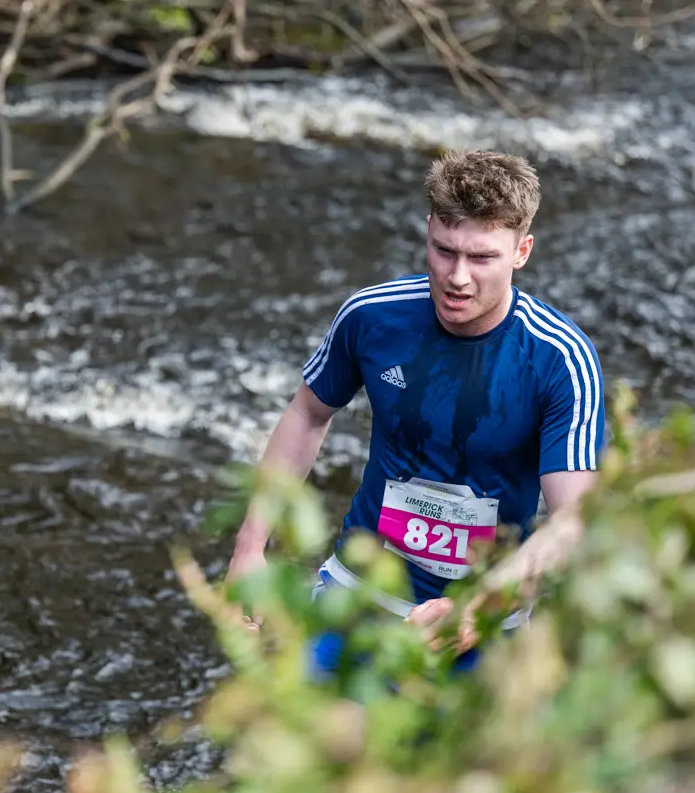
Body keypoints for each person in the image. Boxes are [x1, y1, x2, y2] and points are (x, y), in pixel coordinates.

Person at [227, 149, 605, 676]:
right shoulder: (372, 317)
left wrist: (480, 605)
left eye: (482, 258)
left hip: (487, 618)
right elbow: (307, 415)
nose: (458, 277)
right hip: (357, 593)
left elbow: (573, 521)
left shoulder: (559, 358)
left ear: (522, 251)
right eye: (444, 250)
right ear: (427, 230)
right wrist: (250, 548)